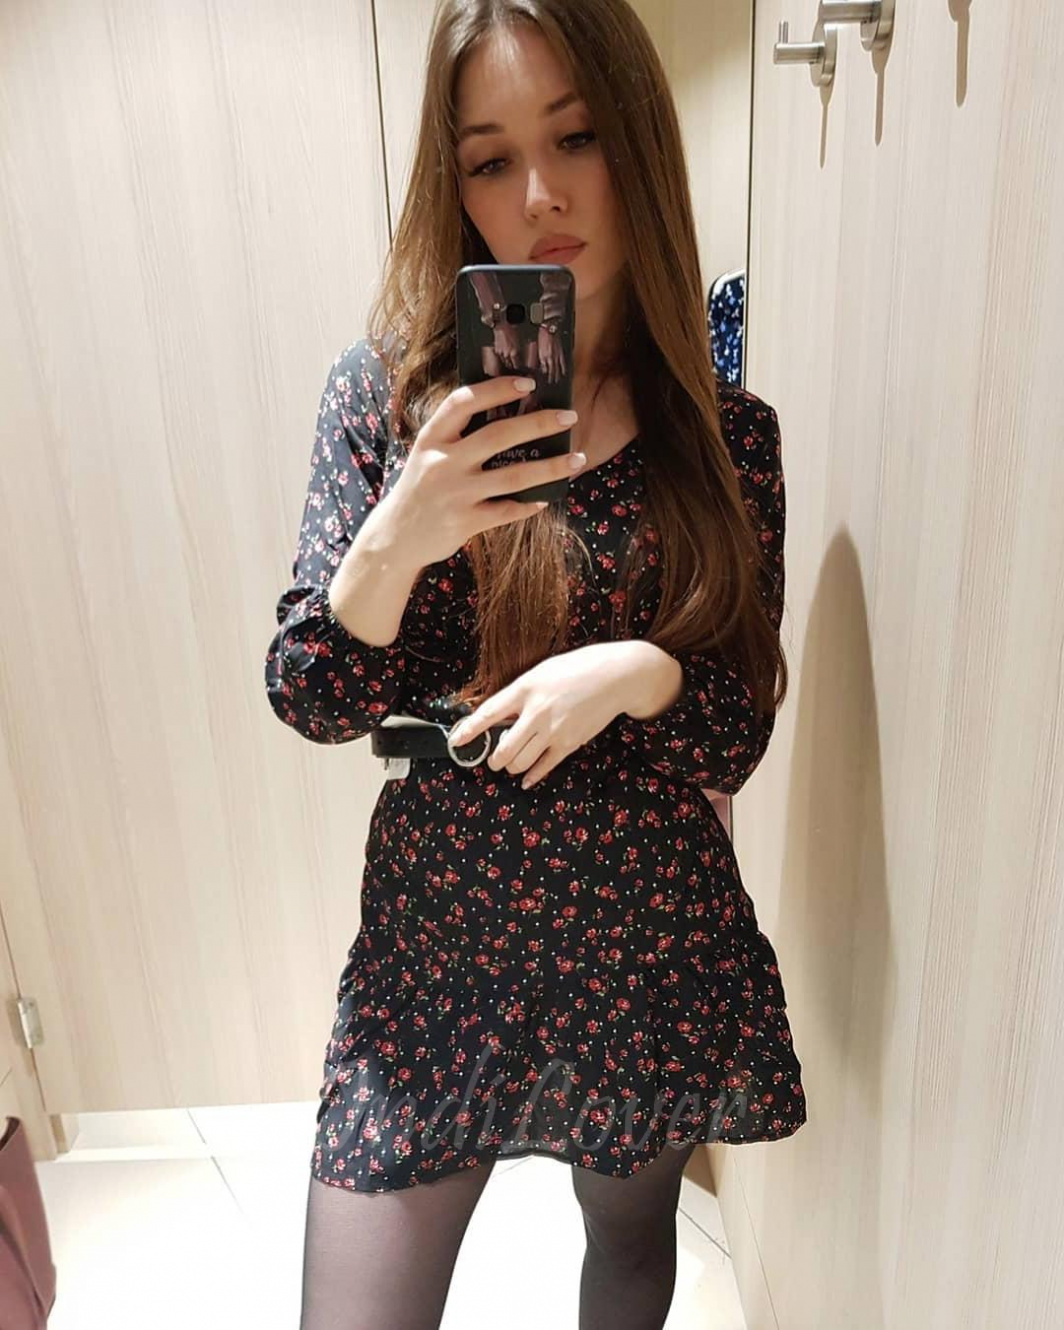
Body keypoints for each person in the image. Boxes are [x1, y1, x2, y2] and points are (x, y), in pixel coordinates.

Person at [264, 1, 807, 1326]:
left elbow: (737, 724)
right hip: (439, 947)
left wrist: (634, 672)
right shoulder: (390, 403)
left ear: (636, 141)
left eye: (575, 138)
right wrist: (396, 539)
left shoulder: (723, 435)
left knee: (627, 1245)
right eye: (491, 159)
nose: (540, 195)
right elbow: (312, 695)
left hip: (647, 941)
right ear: (452, 186)